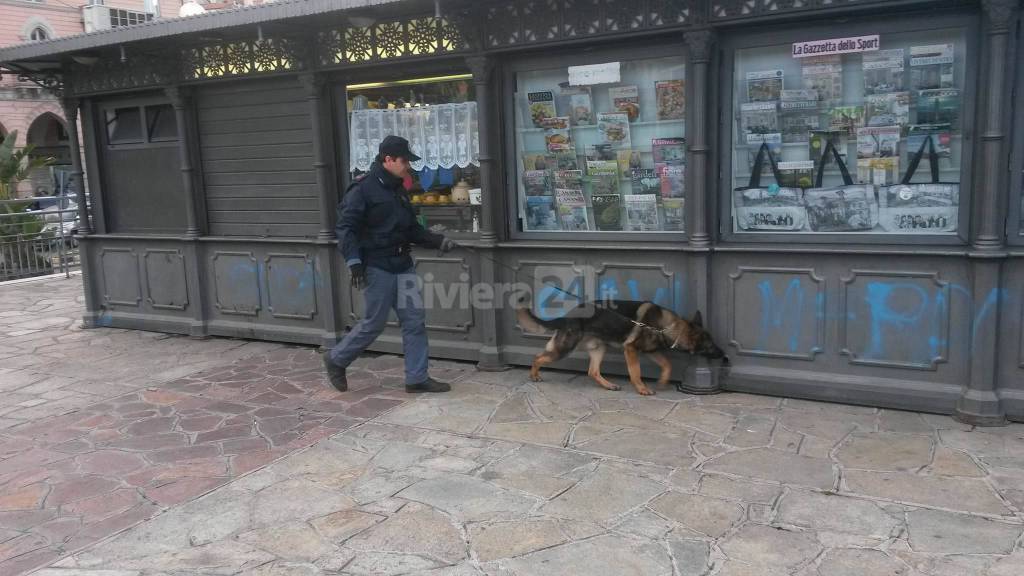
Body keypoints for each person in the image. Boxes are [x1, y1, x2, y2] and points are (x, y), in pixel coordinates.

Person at [323, 135, 456, 393]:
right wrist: (354, 262)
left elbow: (411, 230)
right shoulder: (362, 189)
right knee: (373, 323)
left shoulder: (398, 189)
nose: (408, 166)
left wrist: (438, 241)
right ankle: (336, 358)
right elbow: (345, 228)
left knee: (414, 321)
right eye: (404, 161)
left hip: (402, 264)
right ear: (388, 159)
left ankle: (417, 378)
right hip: (377, 266)